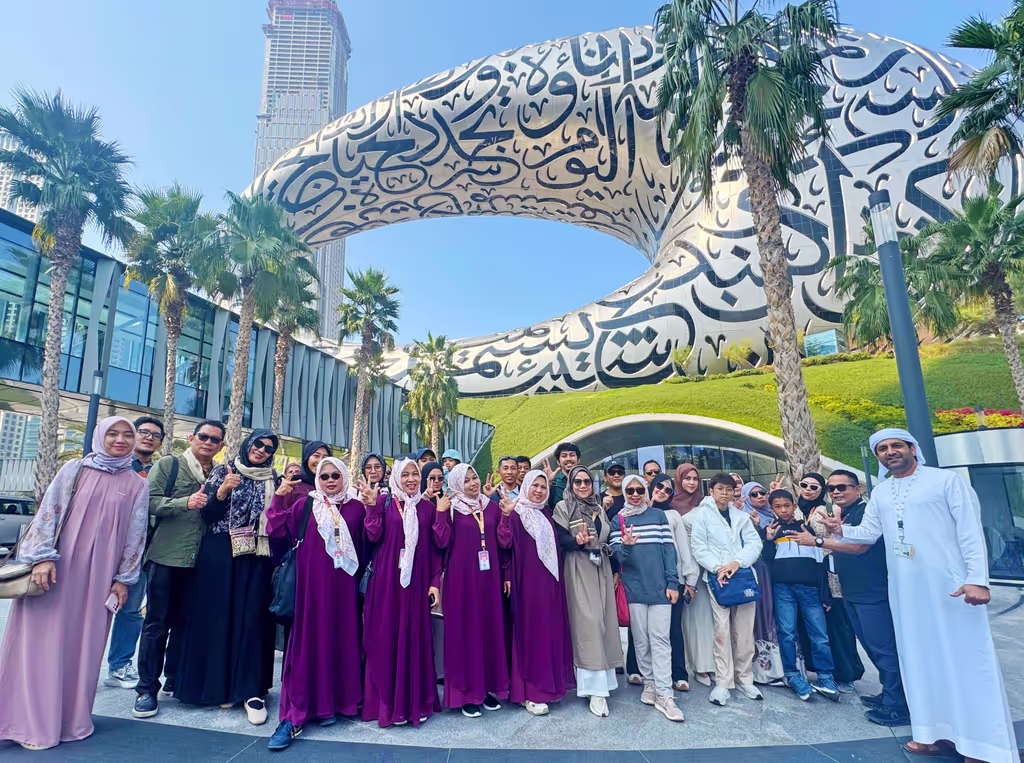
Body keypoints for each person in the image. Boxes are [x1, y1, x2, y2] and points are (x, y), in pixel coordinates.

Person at [819, 429, 1019, 763]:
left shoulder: (946, 482)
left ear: (913, 449)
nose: (889, 452)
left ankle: (981, 745)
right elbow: (868, 534)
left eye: (896, 445)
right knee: (918, 660)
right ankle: (931, 734)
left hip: (950, 588)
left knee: (964, 661)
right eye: (882, 448)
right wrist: (839, 531)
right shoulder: (882, 492)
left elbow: (970, 530)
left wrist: (977, 580)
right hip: (905, 591)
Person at [0, 416, 149, 751]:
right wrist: (42, 556)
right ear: (100, 436)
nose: (121, 440)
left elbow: (135, 537)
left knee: (84, 644)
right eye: (113, 433)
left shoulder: (138, 484)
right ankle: (20, 719)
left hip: (100, 579)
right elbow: (47, 514)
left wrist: (124, 580)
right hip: (55, 571)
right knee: (38, 642)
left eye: (128, 435)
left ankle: (68, 719)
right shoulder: (75, 469)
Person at [173, 429, 280, 725]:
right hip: (220, 554)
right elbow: (205, 514)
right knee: (218, 618)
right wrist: (221, 493)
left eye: (268, 447)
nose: (261, 450)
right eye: (258, 444)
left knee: (252, 619)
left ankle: (250, 689)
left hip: (257, 556)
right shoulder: (225, 469)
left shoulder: (275, 478)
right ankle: (218, 687)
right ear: (248, 444)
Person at [789, 470, 910, 726]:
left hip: (872, 591)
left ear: (858, 490)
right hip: (852, 590)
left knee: (882, 647)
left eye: (843, 487)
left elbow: (860, 546)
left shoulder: (866, 512)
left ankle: (898, 704)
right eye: (832, 488)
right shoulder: (843, 514)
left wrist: (818, 541)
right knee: (871, 645)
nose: (836, 492)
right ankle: (890, 694)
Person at [265, 458, 365, 751]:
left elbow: (369, 543)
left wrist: (373, 509)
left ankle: (335, 705)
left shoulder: (357, 508)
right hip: (310, 591)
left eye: (336, 475)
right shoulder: (306, 505)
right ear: (317, 478)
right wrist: (280, 495)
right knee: (307, 645)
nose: (330, 480)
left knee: (340, 642)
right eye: (324, 476)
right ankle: (294, 716)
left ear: (344, 477)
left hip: (344, 593)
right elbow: (277, 530)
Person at [133, 420, 224, 719]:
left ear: (221, 446)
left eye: (215, 440)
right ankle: (147, 688)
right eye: (203, 437)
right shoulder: (170, 465)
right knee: (157, 624)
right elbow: (149, 502)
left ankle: (176, 676)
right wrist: (186, 502)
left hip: (202, 562)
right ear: (192, 438)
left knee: (189, 623)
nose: (208, 443)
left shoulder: (221, 474)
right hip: (167, 556)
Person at [359, 458, 447, 727]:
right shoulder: (385, 502)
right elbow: (372, 536)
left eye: (415, 474)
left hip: (417, 584)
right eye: (405, 475)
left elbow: (437, 546)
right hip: (387, 584)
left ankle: (414, 701)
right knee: (386, 638)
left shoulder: (427, 507)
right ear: (396, 477)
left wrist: (434, 583)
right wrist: (371, 507)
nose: (411, 479)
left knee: (415, 639)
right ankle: (387, 704)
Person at [496, 471, 574, 715]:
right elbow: (505, 544)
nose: (539, 490)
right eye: (534, 486)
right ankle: (529, 692)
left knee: (548, 633)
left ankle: (549, 688)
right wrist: (507, 516)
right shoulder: (517, 512)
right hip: (526, 584)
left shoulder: (545, 514)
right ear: (526, 486)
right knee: (529, 634)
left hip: (549, 585)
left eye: (543, 486)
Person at [609, 475, 685, 722]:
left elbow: (668, 551)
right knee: (641, 640)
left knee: (661, 639)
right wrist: (627, 545)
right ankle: (650, 683)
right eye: (629, 490)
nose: (634, 494)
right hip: (634, 589)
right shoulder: (618, 519)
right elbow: (618, 557)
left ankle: (665, 693)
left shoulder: (658, 516)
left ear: (645, 490)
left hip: (660, 588)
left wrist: (673, 582)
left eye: (639, 489)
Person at [436, 463, 509, 717]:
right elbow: (441, 542)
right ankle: (464, 694)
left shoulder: (489, 506)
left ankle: (486, 689)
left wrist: (507, 516)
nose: (472, 483)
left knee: (487, 632)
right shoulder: (452, 508)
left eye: (474, 477)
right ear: (456, 483)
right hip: (461, 581)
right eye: (466, 480)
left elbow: (503, 542)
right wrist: (440, 514)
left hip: (488, 581)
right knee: (463, 634)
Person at [552, 465, 623, 717]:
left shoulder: (599, 509)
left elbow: (606, 538)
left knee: (604, 621)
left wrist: (615, 565)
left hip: (601, 568)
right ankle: (594, 690)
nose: (583, 486)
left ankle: (606, 682)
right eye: (577, 482)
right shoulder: (563, 508)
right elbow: (559, 539)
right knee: (588, 623)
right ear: (570, 485)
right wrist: (577, 542)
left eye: (587, 482)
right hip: (579, 568)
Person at [690, 472, 764, 706]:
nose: (725, 493)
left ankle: (745, 679)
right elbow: (699, 546)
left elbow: (754, 543)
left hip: (742, 576)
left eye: (729, 489)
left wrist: (736, 563)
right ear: (711, 491)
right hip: (718, 578)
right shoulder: (702, 515)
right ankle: (723, 683)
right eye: (720, 488)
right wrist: (718, 568)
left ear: (735, 492)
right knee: (721, 631)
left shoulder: (741, 516)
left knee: (744, 631)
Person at [104, 415, 166, 691]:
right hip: (105, 548)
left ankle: (119, 665)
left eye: (155, 434)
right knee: (90, 610)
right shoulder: (112, 465)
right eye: (143, 432)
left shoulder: (160, 470)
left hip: (141, 552)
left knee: (130, 610)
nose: (149, 437)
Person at [761, 490, 839, 702]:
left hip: (810, 589)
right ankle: (793, 675)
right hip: (782, 589)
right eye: (778, 506)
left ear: (794, 504)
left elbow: (819, 562)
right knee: (786, 633)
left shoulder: (807, 528)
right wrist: (768, 540)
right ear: (772, 508)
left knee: (820, 635)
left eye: (787, 505)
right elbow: (766, 562)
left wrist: (826, 594)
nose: (783, 510)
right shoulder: (771, 530)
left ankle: (825, 676)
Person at [799, 472, 864, 691]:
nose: (808, 489)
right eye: (804, 485)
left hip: (831, 576)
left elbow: (838, 540)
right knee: (818, 628)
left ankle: (846, 674)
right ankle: (822, 671)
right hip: (807, 576)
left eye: (815, 487)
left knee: (839, 626)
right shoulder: (797, 510)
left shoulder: (828, 510)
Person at [647, 473, 697, 692]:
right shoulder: (636, 511)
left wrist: (690, 579)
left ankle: (679, 673)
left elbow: (684, 548)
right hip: (646, 579)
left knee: (673, 628)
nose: (662, 492)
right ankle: (639, 671)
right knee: (642, 629)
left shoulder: (673, 515)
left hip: (672, 578)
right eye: (659, 486)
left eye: (668, 490)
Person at [669, 463, 716, 687]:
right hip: (684, 566)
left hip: (708, 564)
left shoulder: (706, 503)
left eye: (695, 478)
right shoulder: (671, 505)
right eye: (686, 478)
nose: (691, 482)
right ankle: (696, 665)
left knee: (707, 617)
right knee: (688, 619)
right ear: (679, 479)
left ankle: (709, 663)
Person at [739, 482, 785, 687]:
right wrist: (757, 527)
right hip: (758, 573)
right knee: (761, 616)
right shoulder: (743, 518)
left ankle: (783, 667)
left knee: (778, 617)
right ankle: (761, 670)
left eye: (762, 492)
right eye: (753, 494)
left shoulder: (775, 515)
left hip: (779, 572)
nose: (760, 497)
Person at [544, 441, 579, 510]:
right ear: (558, 461)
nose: (568, 459)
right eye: (564, 456)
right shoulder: (554, 483)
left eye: (572, 455)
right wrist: (548, 482)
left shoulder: (585, 481)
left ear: (578, 460)